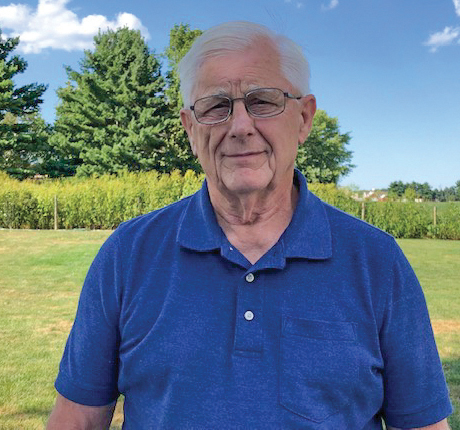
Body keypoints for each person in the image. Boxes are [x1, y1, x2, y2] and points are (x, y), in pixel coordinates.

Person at [47, 21, 452, 430]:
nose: (240, 126)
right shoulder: (129, 254)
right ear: (190, 128)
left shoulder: (376, 262)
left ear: (304, 119)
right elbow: (78, 418)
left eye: (262, 101)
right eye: (215, 106)